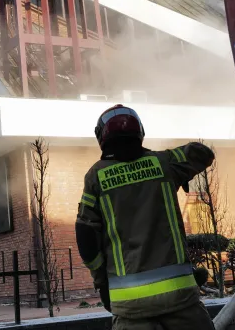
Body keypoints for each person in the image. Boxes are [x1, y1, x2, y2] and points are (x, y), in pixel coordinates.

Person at [75, 104, 216, 330]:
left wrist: (101, 282)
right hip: (181, 301)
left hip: (131, 308)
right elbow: (203, 154)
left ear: (102, 136)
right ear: (139, 132)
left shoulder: (96, 176)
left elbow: (86, 234)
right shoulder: (165, 163)